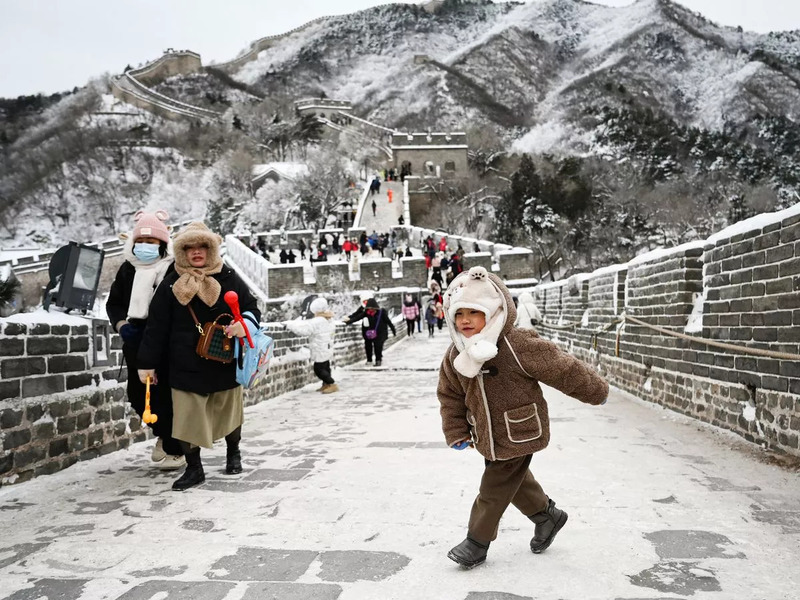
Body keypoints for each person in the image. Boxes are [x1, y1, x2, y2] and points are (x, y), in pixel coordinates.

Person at [437, 266, 608, 568]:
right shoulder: (455, 355)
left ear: (493, 312)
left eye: (474, 313)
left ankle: (476, 543)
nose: (465, 320)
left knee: (493, 489)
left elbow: (561, 367)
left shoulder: (515, 344)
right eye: (459, 313)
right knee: (514, 481)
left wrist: (595, 390)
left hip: (520, 429)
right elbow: (449, 395)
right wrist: (456, 430)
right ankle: (548, 516)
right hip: (487, 435)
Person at [137, 222, 261, 491]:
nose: (196, 252)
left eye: (202, 246)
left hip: (223, 359)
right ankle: (194, 469)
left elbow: (252, 309)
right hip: (184, 363)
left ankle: (233, 454)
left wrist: (245, 325)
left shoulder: (228, 277)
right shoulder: (171, 284)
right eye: (189, 247)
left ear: (212, 249)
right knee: (187, 417)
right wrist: (147, 363)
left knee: (229, 411)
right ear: (181, 252)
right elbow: (156, 326)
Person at [106, 210, 185, 471]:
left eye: (151, 243)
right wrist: (122, 326)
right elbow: (114, 303)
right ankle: (164, 435)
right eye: (141, 242)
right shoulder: (129, 269)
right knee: (139, 395)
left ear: (162, 244)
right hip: (136, 340)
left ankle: (175, 448)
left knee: (167, 394)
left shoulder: (173, 268)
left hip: (166, 340)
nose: (145, 247)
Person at [285, 297, 338, 393]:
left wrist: (289, 325)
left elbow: (304, 330)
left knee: (318, 368)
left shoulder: (317, 321)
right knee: (325, 366)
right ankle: (326, 384)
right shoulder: (329, 319)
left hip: (319, 347)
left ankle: (332, 384)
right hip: (326, 346)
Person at [343, 297, 396, 367]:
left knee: (378, 346)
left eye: (372, 308)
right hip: (370, 333)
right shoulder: (366, 313)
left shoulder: (381, 312)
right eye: (369, 308)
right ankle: (369, 359)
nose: (370, 310)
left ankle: (378, 360)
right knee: (368, 346)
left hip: (380, 333)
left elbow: (388, 321)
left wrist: (393, 330)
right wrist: (348, 321)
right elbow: (357, 317)